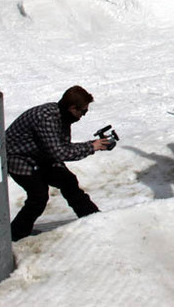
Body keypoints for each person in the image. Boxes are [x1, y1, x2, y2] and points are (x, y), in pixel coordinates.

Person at [6, 85, 113, 241]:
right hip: (19, 159)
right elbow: (59, 152)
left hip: (40, 156)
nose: (83, 115)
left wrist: (94, 145)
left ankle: (93, 218)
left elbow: (61, 147)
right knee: (38, 196)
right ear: (72, 108)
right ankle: (15, 235)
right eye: (83, 111)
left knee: (68, 181)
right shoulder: (46, 118)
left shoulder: (63, 117)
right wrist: (91, 147)